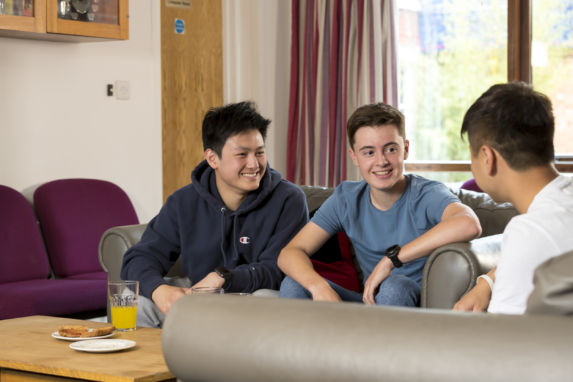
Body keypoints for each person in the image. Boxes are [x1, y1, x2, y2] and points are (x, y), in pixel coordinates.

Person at [121, 101, 308, 327]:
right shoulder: (183, 201)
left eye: (259, 153)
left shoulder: (289, 200)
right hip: (198, 296)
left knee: (267, 300)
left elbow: (278, 268)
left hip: (254, 297)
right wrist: (160, 291)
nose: (254, 164)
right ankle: (156, 363)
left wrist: (222, 278)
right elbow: (139, 258)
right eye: (242, 154)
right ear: (212, 159)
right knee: (137, 303)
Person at [278, 103, 482, 306]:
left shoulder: (427, 193)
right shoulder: (346, 199)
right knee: (293, 285)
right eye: (368, 152)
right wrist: (318, 286)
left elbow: (468, 223)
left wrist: (391, 260)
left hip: (416, 305)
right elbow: (290, 253)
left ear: (406, 149)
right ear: (354, 157)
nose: (381, 161)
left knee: (394, 286)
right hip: (370, 304)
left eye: (391, 149)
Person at [453, 82, 573, 314]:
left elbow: (502, 342)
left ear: (487, 157)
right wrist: (488, 282)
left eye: (472, 156)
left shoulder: (528, 232)